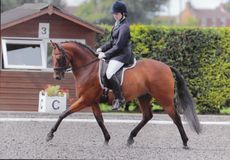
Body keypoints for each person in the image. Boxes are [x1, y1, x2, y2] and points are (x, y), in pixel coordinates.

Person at [96, 0, 134, 110]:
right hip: (116, 53)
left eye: (117, 14)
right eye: (114, 14)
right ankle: (106, 91)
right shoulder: (117, 24)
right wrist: (101, 48)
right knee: (102, 67)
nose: (115, 16)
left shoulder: (124, 27)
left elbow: (118, 46)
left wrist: (105, 54)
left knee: (109, 72)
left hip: (122, 55)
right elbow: (111, 42)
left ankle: (119, 98)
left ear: (123, 14)